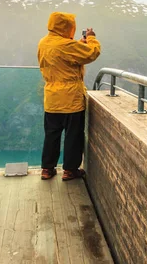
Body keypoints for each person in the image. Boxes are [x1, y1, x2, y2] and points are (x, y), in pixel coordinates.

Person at [37, 12, 101, 181]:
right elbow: (91, 54)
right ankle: (70, 170)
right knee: (73, 136)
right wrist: (92, 39)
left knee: (52, 135)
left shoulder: (44, 42)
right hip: (71, 99)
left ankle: (47, 169)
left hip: (51, 98)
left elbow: (64, 55)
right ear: (67, 27)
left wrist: (78, 44)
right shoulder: (67, 46)